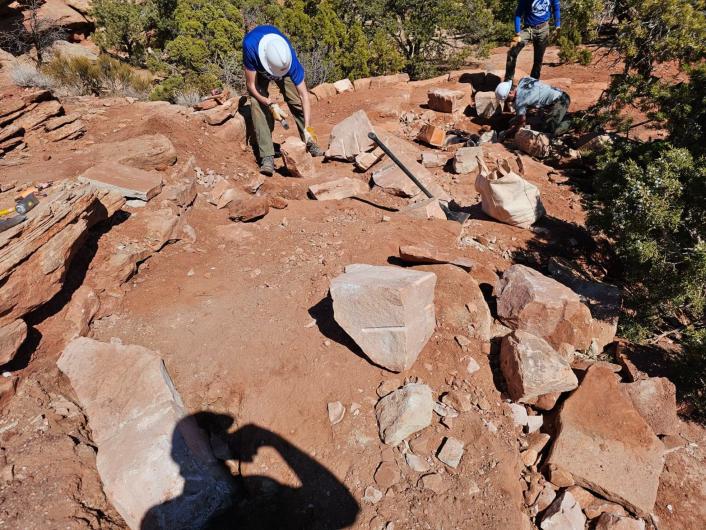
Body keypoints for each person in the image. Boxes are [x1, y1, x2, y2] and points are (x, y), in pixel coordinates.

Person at [242, 25, 324, 176]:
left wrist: (308, 127)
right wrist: (269, 102)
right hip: (259, 70)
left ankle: (310, 142)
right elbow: (251, 85)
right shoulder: (250, 46)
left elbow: (304, 95)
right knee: (257, 104)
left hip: (282, 69)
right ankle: (267, 156)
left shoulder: (288, 59)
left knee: (296, 102)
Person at [504, 0, 561, 82]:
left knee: (538, 59)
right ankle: (508, 80)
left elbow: (556, 9)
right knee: (512, 51)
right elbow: (518, 14)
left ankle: (533, 82)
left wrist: (558, 26)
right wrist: (517, 32)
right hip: (528, 29)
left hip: (544, 29)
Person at [495, 77, 571, 136]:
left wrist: (507, 132)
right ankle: (558, 116)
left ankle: (571, 122)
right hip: (557, 96)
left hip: (561, 101)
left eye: (507, 99)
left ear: (511, 92)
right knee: (528, 116)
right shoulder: (523, 80)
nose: (508, 101)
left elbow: (521, 123)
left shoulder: (520, 101)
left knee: (548, 131)